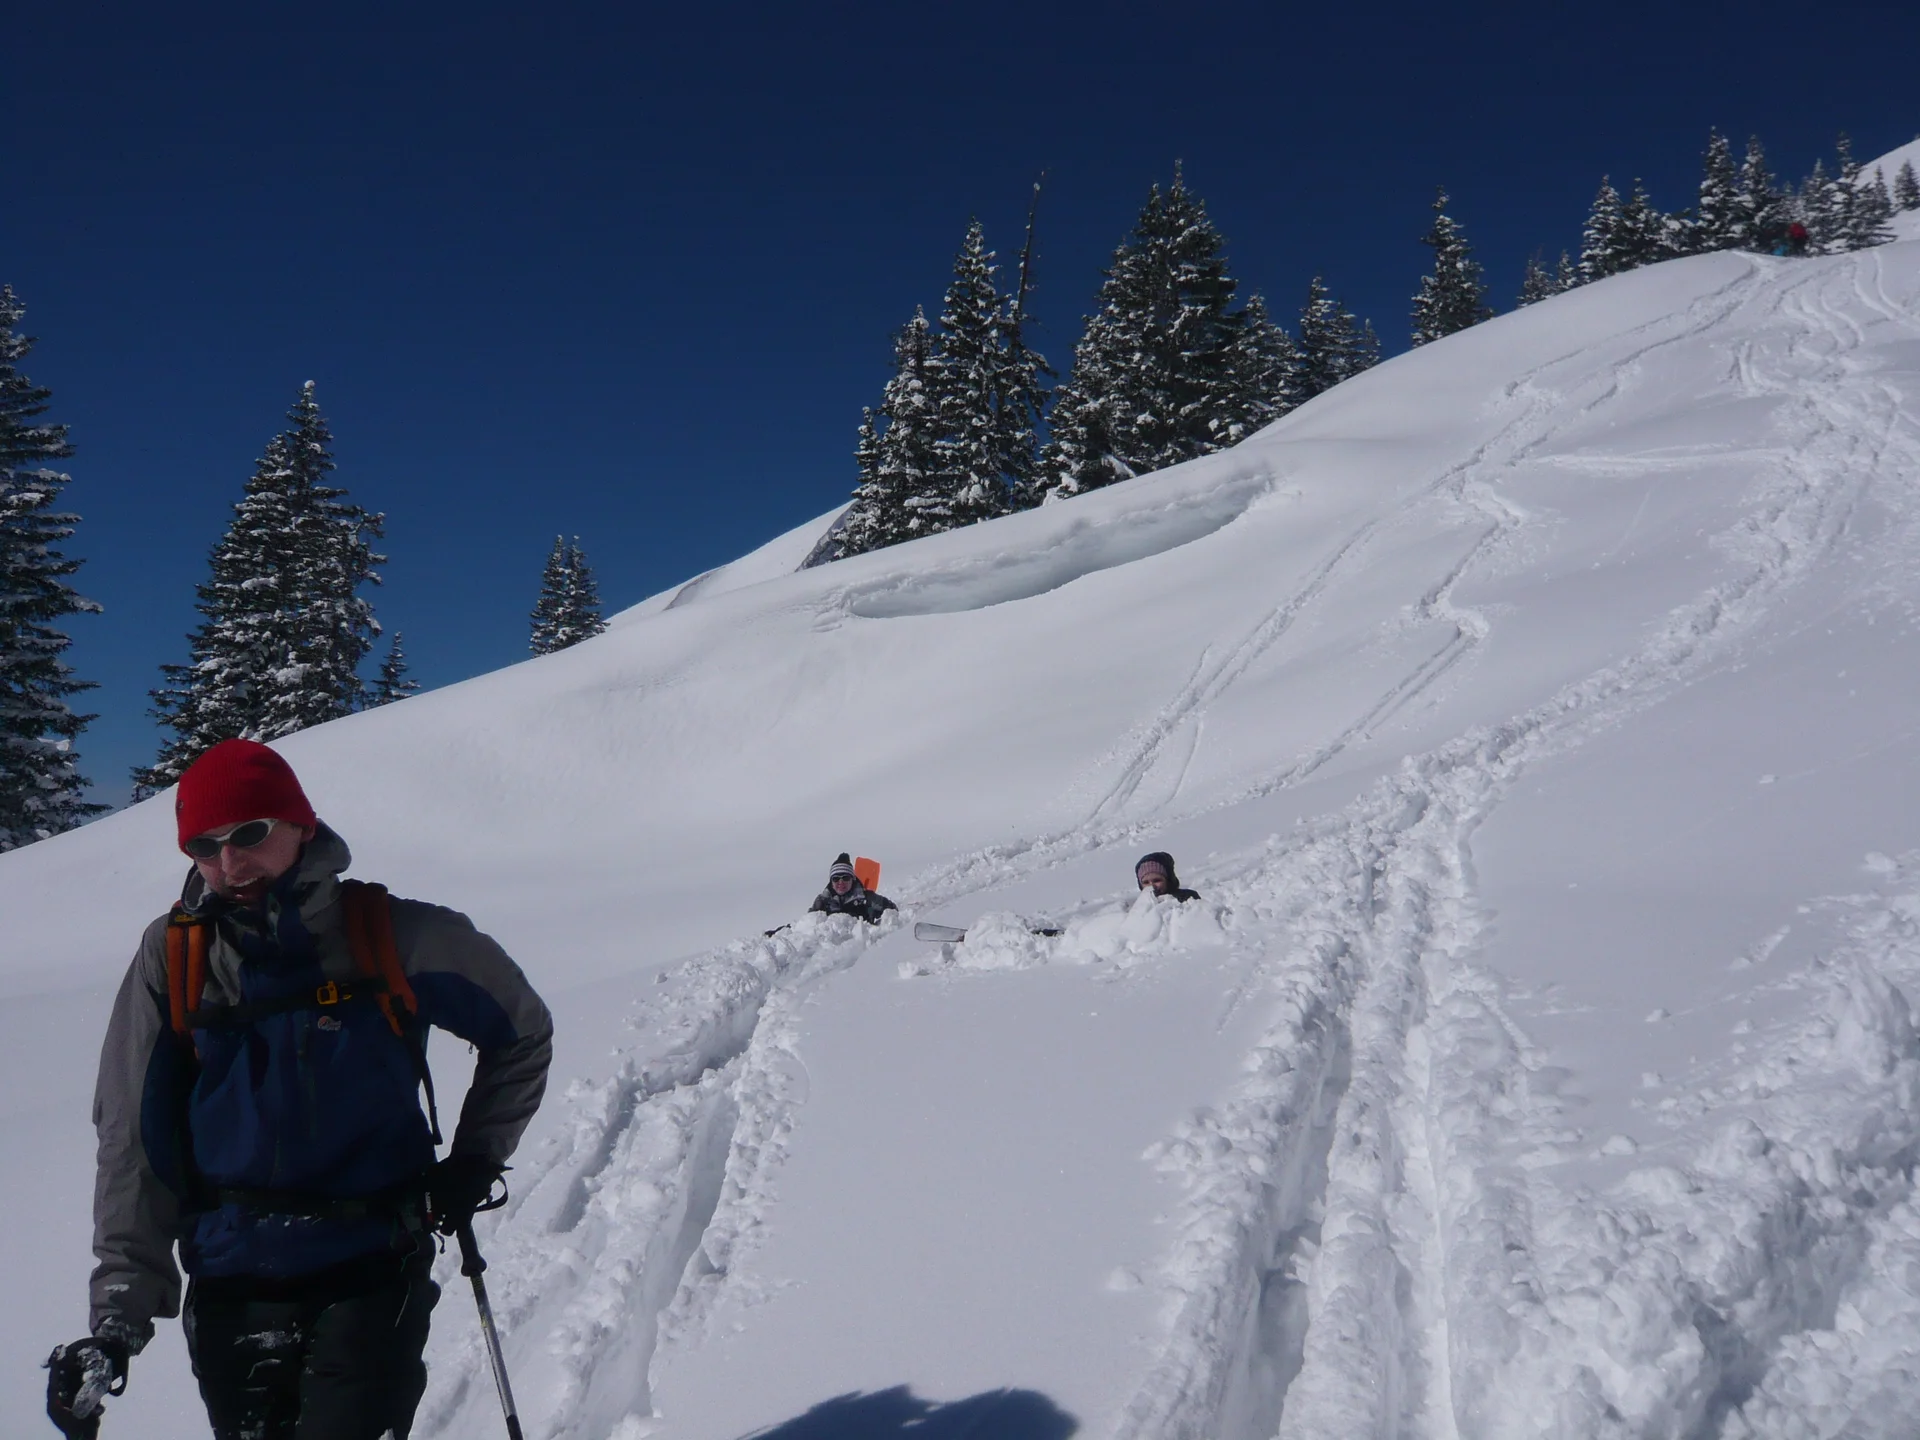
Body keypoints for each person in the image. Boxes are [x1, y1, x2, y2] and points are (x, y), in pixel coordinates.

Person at [45, 739, 553, 1440]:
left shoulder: (391, 935)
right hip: (229, 1281)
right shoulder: (176, 954)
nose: (231, 862)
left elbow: (520, 1033)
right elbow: (132, 1136)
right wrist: (115, 1322)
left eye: (250, 833)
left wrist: (473, 1160)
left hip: (370, 1266)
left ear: (301, 826)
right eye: (205, 844)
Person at [808, 852, 897, 924]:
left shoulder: (867, 898)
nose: (841, 882)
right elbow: (809, 925)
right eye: (836, 879)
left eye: (845, 878)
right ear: (831, 882)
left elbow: (892, 911)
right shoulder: (822, 902)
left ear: (853, 879)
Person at [1135, 852, 1201, 903]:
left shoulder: (1187, 898)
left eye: (1157, 880)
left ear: (1168, 880)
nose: (1152, 886)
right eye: (1146, 882)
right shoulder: (1138, 908)